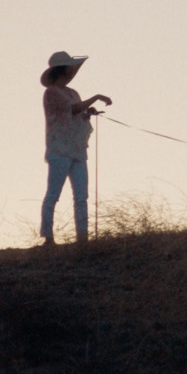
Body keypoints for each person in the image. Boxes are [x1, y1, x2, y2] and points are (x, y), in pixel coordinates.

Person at [39, 51, 111, 246]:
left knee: (81, 195)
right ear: (63, 70)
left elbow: (77, 112)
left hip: (76, 149)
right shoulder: (52, 92)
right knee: (54, 193)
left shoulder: (72, 93)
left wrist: (88, 112)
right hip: (59, 149)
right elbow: (71, 110)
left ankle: (83, 238)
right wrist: (95, 97)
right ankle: (48, 236)